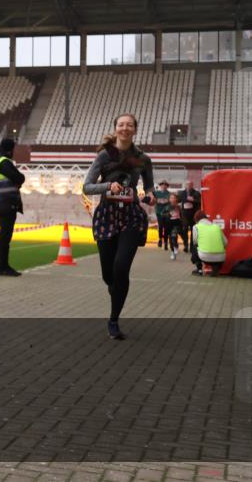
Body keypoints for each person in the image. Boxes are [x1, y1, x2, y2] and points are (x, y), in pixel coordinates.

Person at [83, 113, 154, 341]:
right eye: (121, 124)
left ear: (135, 129)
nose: (125, 128)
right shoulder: (105, 155)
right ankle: (115, 290)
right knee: (109, 275)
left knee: (121, 268)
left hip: (131, 217)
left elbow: (149, 187)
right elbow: (87, 187)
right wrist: (107, 186)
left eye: (129, 125)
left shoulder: (142, 158)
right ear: (116, 128)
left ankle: (113, 320)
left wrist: (151, 196)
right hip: (107, 215)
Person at [0, 137, 26, 276]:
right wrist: (19, 180)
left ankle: (2, 267)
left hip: (0, 202)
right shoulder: (4, 162)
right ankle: (3, 268)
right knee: (5, 237)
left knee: (4, 236)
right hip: (8, 202)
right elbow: (19, 178)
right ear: (9, 150)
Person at [191, 210, 227, 276]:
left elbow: (195, 241)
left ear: (196, 219)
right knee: (217, 249)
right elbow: (225, 243)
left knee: (194, 247)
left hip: (205, 257)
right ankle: (215, 270)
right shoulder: (216, 226)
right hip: (221, 258)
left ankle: (199, 269)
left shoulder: (196, 227)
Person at [177, 179, 201, 252]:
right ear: (185, 185)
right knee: (184, 229)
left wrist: (193, 200)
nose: (189, 186)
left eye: (190, 184)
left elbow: (200, 201)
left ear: (192, 185)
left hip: (193, 214)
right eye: (187, 184)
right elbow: (177, 200)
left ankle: (192, 247)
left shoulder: (196, 193)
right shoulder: (182, 193)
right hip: (184, 214)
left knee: (193, 230)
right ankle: (186, 245)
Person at [152, 180, 171, 251]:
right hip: (159, 212)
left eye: (165, 185)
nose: (163, 186)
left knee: (166, 227)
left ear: (167, 186)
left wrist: (167, 201)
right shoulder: (156, 193)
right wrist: (157, 201)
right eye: (162, 184)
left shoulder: (169, 194)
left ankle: (165, 242)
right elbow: (151, 199)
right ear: (160, 185)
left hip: (166, 212)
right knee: (160, 226)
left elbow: (172, 200)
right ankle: (160, 239)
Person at [165, 193, 183, 261]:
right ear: (169, 199)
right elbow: (163, 214)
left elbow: (182, 215)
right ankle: (172, 252)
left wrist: (182, 222)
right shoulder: (167, 207)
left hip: (177, 223)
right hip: (169, 224)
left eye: (174, 198)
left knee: (174, 236)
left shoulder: (179, 207)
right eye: (171, 198)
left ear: (176, 199)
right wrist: (168, 214)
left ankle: (175, 246)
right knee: (171, 238)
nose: (172, 199)